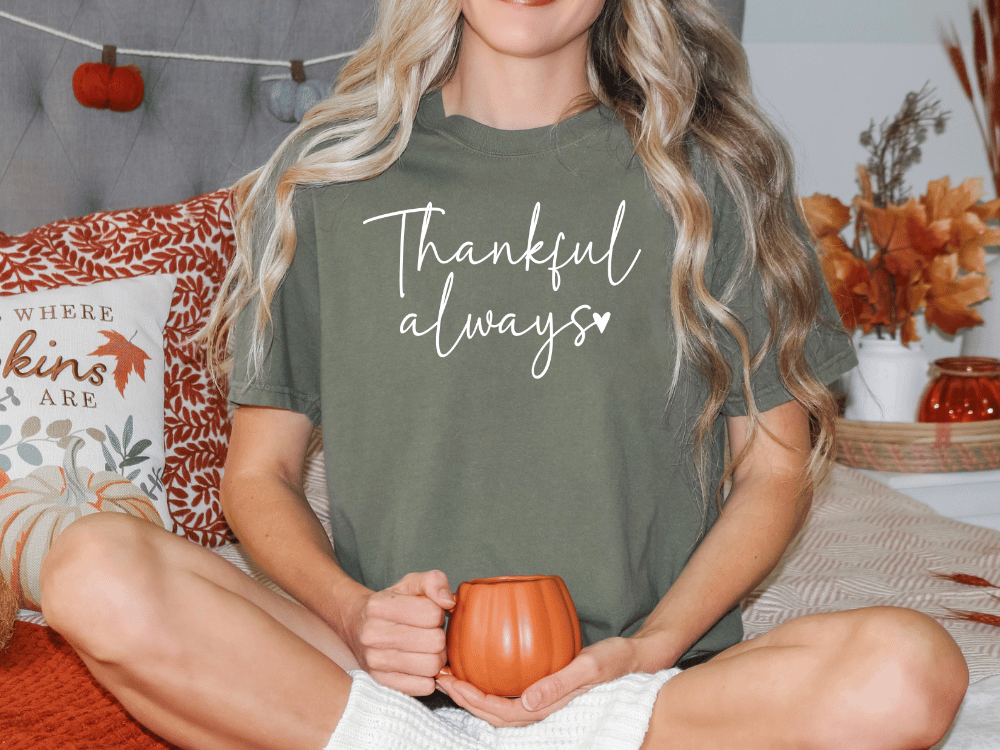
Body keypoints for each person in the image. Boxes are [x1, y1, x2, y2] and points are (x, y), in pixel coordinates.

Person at [39, 0, 969, 748]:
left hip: (636, 696)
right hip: (375, 673)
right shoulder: (324, 177)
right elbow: (259, 475)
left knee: (910, 670)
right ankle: (399, 739)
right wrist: (356, 614)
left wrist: (644, 652)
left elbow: (771, 469)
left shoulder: (718, 177)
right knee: (89, 564)